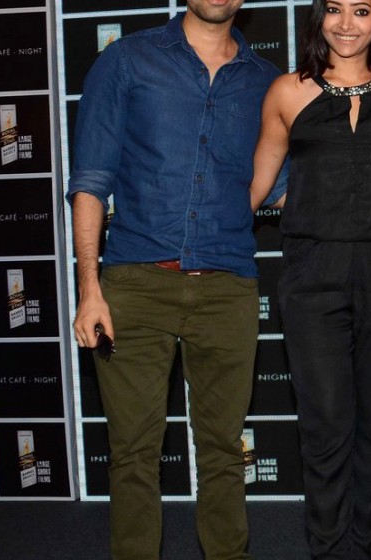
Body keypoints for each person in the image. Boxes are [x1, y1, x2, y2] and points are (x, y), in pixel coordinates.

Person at [67, 0, 285, 558]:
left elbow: (281, 186)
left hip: (228, 287)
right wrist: (89, 289)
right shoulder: (126, 61)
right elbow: (90, 180)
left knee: (223, 449)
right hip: (134, 285)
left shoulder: (267, 81)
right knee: (133, 452)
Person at [247, 1, 371, 558]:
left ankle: (360, 548)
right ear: (318, 19)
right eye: (335, 10)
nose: (347, 24)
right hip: (312, 276)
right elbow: (257, 186)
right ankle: (328, 550)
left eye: (361, 11)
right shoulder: (286, 91)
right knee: (324, 429)